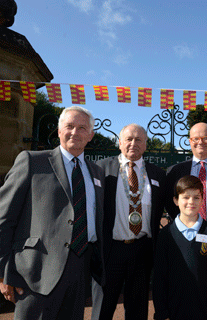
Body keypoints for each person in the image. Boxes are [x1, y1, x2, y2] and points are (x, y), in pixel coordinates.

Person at [0, 106, 104, 320]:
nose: (75, 132)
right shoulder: (32, 161)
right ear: (58, 131)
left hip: (80, 269)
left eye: (82, 128)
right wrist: (3, 271)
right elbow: (4, 219)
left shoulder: (97, 172)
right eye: (69, 126)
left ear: (90, 135)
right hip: (35, 272)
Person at [91, 123, 166, 320]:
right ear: (119, 143)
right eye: (129, 139)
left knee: (138, 309)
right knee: (102, 309)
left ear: (146, 144)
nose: (133, 143)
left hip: (142, 251)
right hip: (110, 250)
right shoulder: (101, 168)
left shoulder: (158, 173)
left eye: (139, 139)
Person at [165, 122, 207, 319]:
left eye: (205, 138)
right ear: (189, 142)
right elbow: (171, 203)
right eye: (195, 139)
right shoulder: (175, 171)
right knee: (188, 292)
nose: (200, 142)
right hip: (186, 242)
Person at [153, 175, 207, 320]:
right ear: (176, 200)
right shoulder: (166, 235)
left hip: (204, 311)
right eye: (185, 197)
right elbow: (159, 277)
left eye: (196, 197)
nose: (191, 202)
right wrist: (162, 312)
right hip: (174, 311)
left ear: (202, 200)